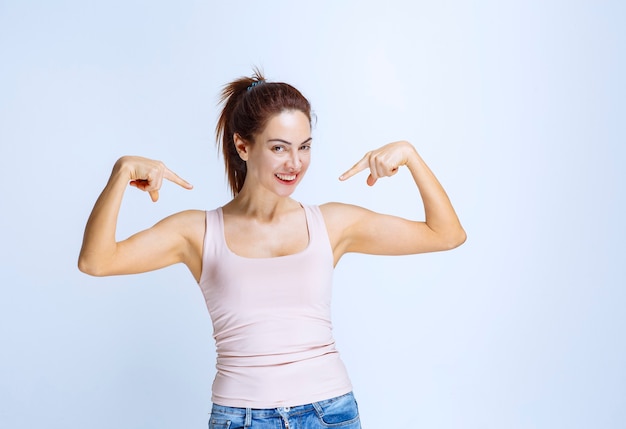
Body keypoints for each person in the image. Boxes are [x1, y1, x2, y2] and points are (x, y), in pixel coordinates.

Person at [78, 70, 466, 429]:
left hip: (330, 412)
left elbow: (446, 234)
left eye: (305, 146)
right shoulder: (198, 231)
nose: (295, 163)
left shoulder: (331, 224)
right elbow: (97, 261)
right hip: (241, 417)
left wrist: (411, 156)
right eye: (279, 148)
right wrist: (122, 173)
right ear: (242, 146)